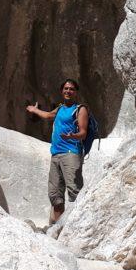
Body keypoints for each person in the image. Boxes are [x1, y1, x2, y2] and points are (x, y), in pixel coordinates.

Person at [26, 78, 89, 224]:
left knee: (75, 191)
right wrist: (34, 110)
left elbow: (83, 132)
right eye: (66, 89)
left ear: (76, 92)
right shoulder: (60, 108)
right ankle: (59, 227)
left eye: (71, 89)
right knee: (55, 194)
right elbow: (48, 116)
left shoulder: (80, 109)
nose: (68, 91)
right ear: (62, 91)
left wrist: (73, 136)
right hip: (56, 154)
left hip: (71, 153)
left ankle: (77, 225)